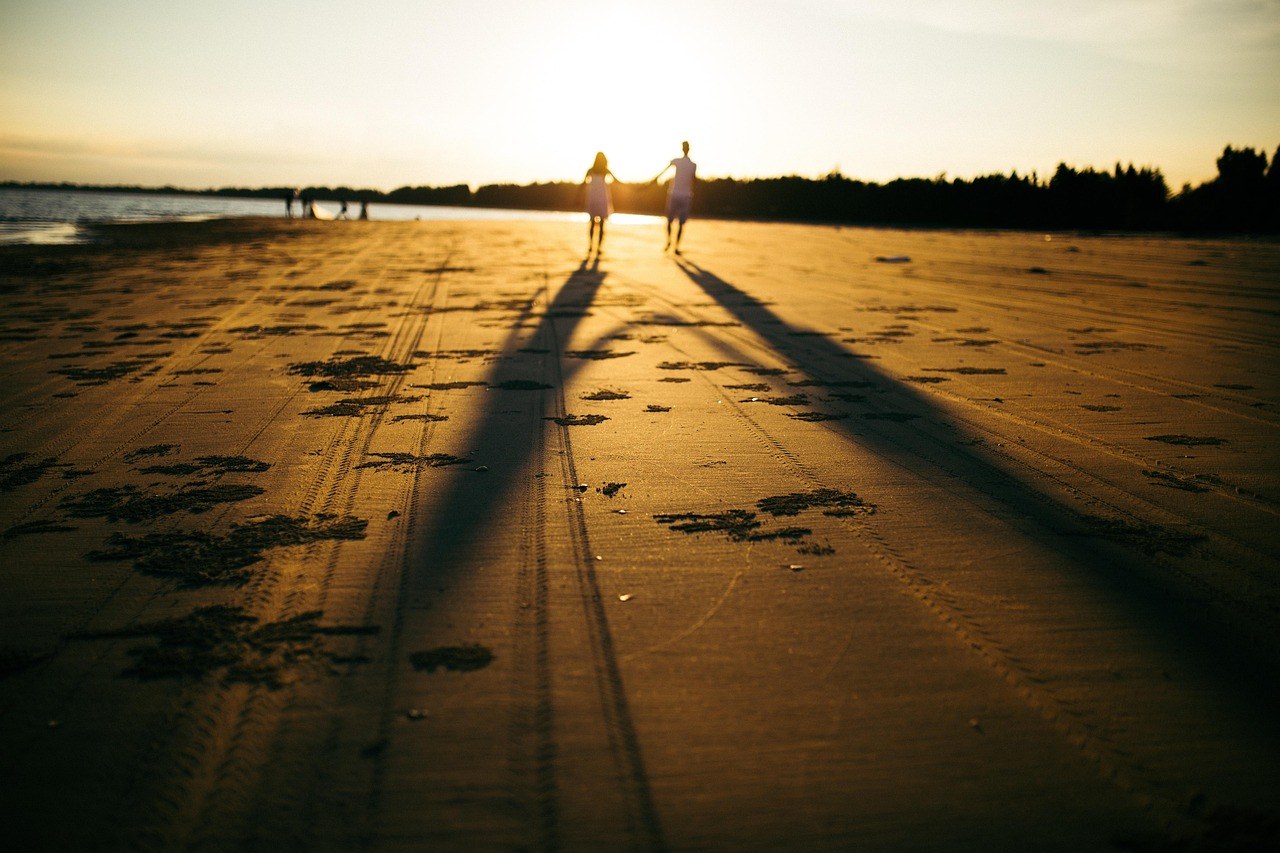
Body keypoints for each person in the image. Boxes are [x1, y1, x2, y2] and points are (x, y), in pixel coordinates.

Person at [651, 141, 696, 253]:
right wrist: (655, 179)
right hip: (676, 194)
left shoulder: (692, 165)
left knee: (679, 223)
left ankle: (675, 246)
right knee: (670, 220)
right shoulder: (678, 161)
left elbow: (694, 180)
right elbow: (664, 170)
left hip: (684, 195)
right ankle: (670, 242)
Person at [583, 151, 621, 254]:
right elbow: (617, 181)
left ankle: (593, 246)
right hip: (598, 198)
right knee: (599, 224)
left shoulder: (601, 170)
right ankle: (595, 247)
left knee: (594, 223)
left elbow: (583, 184)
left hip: (596, 197)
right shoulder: (596, 170)